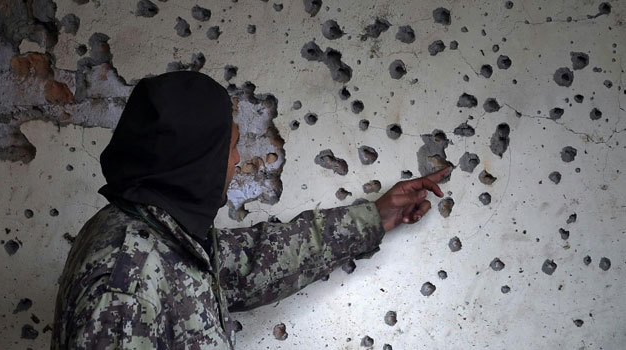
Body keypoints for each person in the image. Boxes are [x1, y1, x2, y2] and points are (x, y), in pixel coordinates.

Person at [51, 71, 452, 349]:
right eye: (232, 144)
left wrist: (377, 215)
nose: (239, 158)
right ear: (197, 155)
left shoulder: (158, 232)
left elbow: (255, 262)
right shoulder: (125, 287)